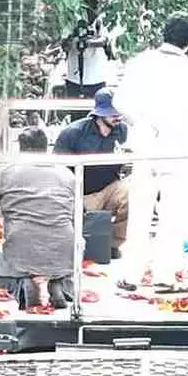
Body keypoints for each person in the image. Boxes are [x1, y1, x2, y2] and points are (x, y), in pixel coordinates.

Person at [114, 11, 188, 294]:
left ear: (164, 32)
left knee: (139, 212)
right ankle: (165, 276)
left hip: (145, 146)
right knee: (172, 215)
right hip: (177, 150)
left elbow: (119, 101)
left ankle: (131, 273)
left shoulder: (140, 62)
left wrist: (141, 123)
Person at [0, 128, 77, 310]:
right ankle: (59, 284)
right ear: (46, 148)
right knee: (70, 268)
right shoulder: (67, 174)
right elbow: (77, 216)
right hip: (63, 249)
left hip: (21, 249)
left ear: (21, 148)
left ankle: (23, 286)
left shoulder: (6, 173)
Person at [53, 87, 130, 257]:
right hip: (80, 192)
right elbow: (58, 169)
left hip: (109, 188)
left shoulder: (123, 131)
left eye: (118, 112)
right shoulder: (74, 133)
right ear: (99, 114)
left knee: (130, 192)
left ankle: (113, 244)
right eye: (112, 113)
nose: (117, 116)